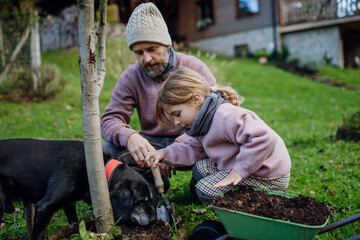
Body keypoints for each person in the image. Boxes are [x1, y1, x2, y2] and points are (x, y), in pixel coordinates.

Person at [100, 3, 216, 195]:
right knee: (105, 150)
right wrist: (129, 136)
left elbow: (215, 111)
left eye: (152, 49)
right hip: (150, 144)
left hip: (193, 141)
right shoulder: (131, 76)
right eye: (139, 52)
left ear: (167, 45)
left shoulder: (193, 67)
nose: (146, 58)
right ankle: (151, 182)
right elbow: (109, 119)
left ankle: (198, 185)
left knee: (217, 149)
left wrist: (173, 151)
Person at [144, 67, 291, 204]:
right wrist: (163, 154)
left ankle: (261, 201)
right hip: (249, 167)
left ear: (196, 99)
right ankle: (241, 188)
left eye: (177, 114)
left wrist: (238, 172)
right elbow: (193, 147)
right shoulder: (203, 120)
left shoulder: (225, 116)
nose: (176, 122)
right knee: (200, 169)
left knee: (205, 191)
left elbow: (264, 138)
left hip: (268, 175)